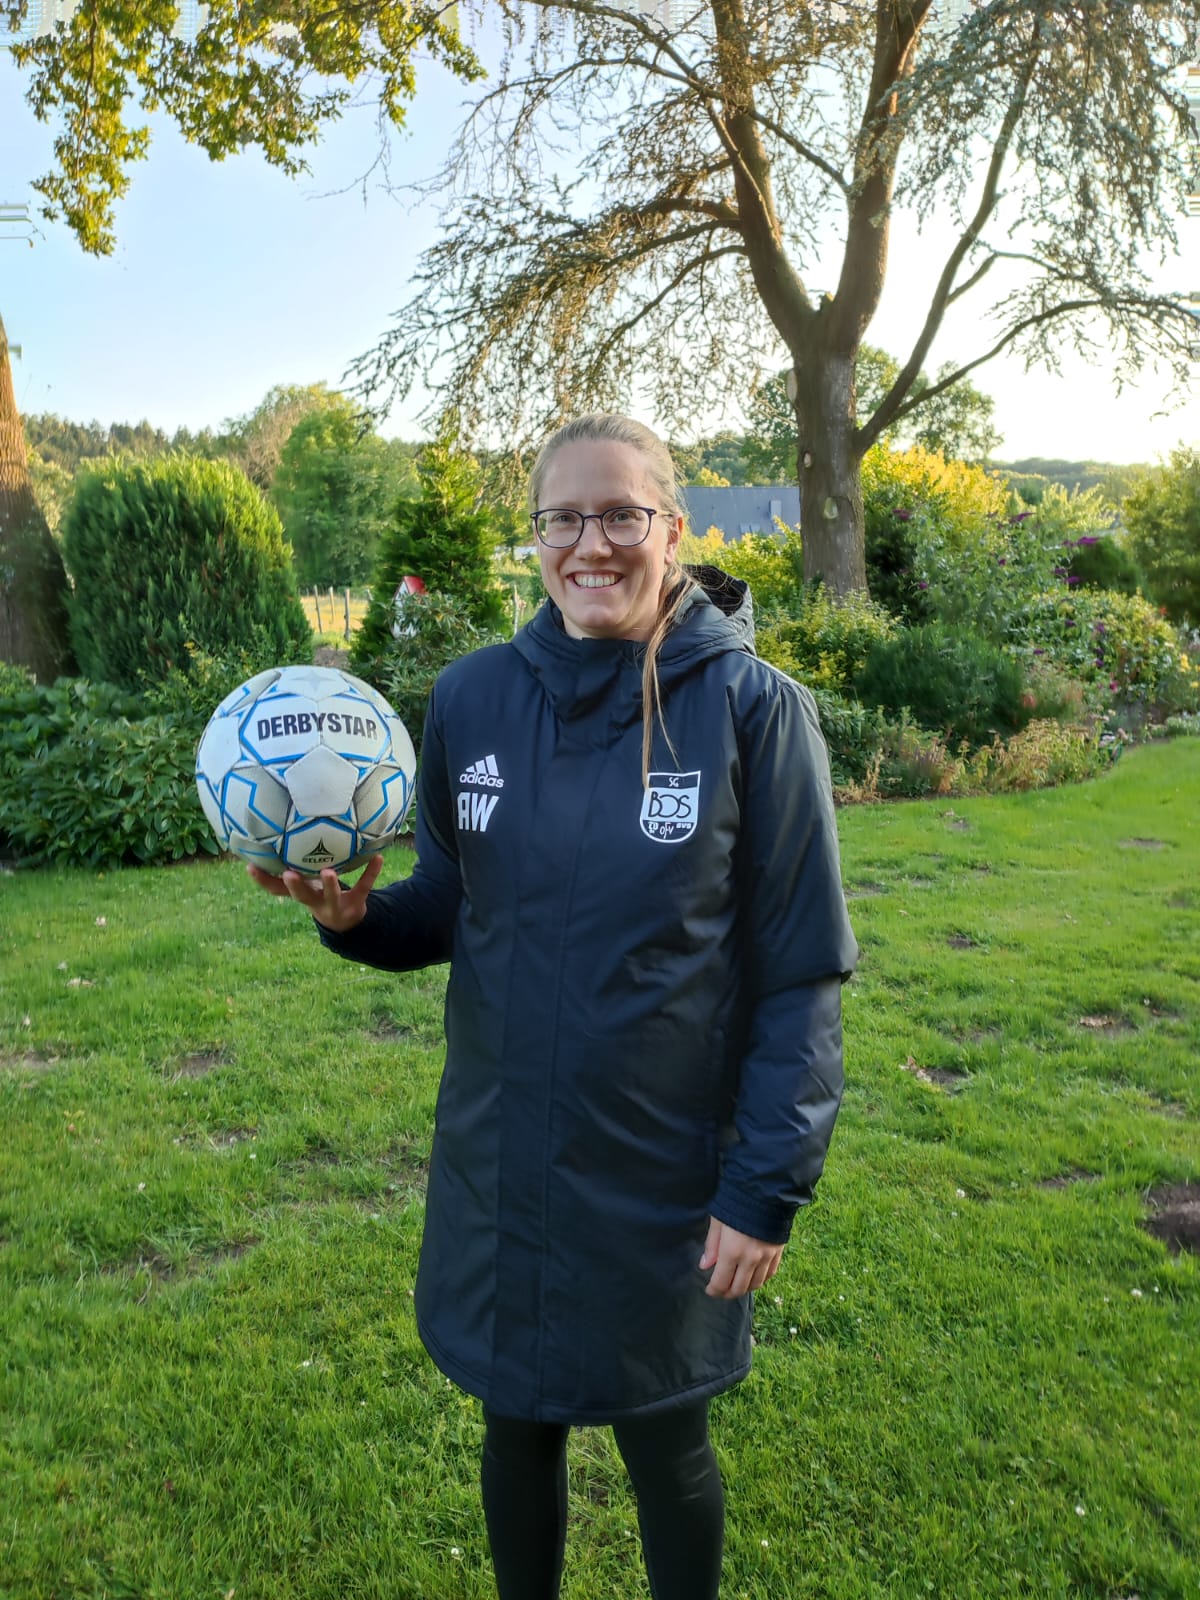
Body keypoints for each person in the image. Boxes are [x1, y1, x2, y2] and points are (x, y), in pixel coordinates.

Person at [248, 414, 858, 1600]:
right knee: (513, 1418)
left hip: (664, 1170)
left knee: (664, 1430)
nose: (593, 543)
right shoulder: (472, 698)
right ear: (534, 539)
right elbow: (444, 906)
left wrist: (762, 1188)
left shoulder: (752, 713)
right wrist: (352, 920)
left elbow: (800, 973)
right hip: (502, 1153)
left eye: (622, 514)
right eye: (563, 518)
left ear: (673, 529)